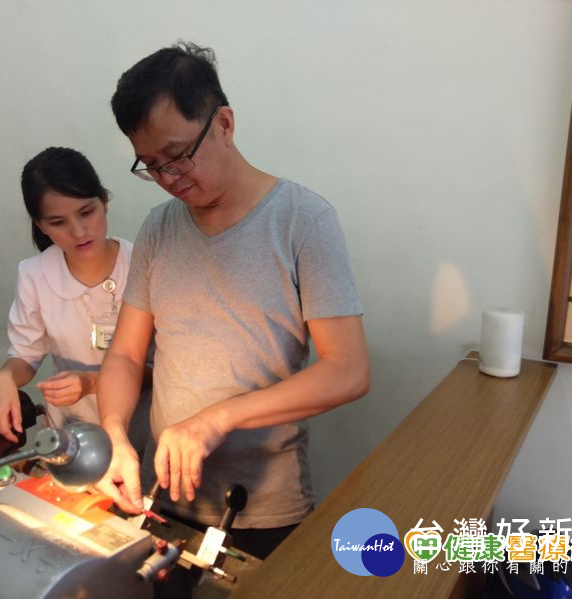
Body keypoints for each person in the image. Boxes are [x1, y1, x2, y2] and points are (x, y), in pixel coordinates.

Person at [96, 42, 369, 559]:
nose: (169, 179)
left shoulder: (303, 221)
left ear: (223, 123)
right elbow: (127, 354)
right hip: (160, 497)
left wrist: (217, 419)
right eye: (151, 165)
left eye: (178, 156)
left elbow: (348, 371)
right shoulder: (159, 227)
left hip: (260, 507)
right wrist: (115, 436)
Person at [0, 147, 150, 451]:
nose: (79, 232)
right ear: (40, 225)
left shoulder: (143, 265)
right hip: (73, 433)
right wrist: (5, 376)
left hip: (141, 431)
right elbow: (26, 355)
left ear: (104, 202)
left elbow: (164, 369)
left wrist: (91, 382)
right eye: (58, 222)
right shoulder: (35, 274)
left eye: (86, 212)